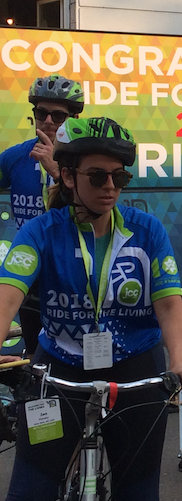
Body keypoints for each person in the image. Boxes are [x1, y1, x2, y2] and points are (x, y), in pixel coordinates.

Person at [0, 117, 182, 501]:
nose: (110, 186)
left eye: (119, 176)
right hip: (59, 370)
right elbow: (8, 296)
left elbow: (167, 303)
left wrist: (179, 361)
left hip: (136, 368)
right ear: (69, 176)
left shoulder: (146, 231)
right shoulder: (42, 231)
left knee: (139, 500)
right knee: (26, 500)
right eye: (97, 175)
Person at [0, 74, 84, 356]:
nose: (48, 121)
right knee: (36, 355)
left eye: (58, 115)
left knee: (79, 356)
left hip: (73, 272)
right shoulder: (15, 157)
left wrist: (55, 169)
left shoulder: (83, 161)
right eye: (41, 113)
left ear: (73, 118)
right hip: (31, 272)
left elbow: (94, 209)